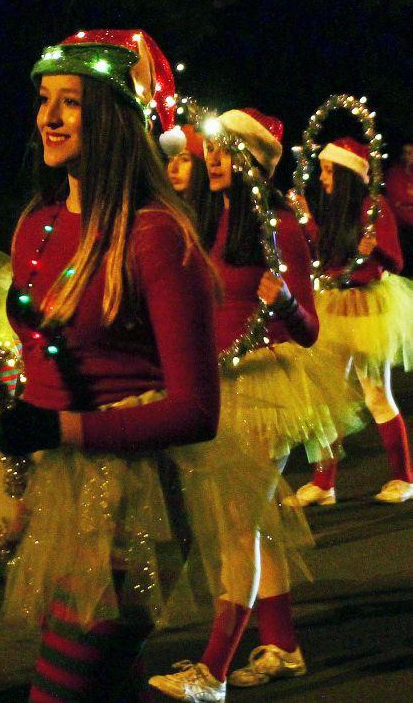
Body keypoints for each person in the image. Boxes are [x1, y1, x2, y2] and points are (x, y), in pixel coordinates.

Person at [0, 29, 227, 700]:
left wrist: (60, 432)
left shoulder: (155, 233)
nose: (47, 117)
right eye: (43, 100)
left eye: (70, 102)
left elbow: (196, 411)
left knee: (65, 685)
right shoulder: (35, 224)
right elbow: (41, 378)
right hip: (61, 489)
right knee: (104, 687)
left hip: (143, 496)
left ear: (112, 117)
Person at [148, 109, 352, 701]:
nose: (211, 160)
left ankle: (211, 671)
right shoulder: (210, 221)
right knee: (255, 526)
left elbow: (309, 330)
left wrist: (285, 301)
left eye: (225, 151)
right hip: (219, 386)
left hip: (265, 391)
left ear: (254, 162)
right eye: (210, 150)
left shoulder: (278, 228)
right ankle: (282, 645)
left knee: (238, 528)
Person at [294, 138, 413, 505]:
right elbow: (325, 256)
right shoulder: (333, 208)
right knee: (330, 398)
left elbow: (396, 263)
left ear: (346, 174)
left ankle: (404, 479)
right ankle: (324, 484)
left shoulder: (374, 207)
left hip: (368, 309)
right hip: (336, 305)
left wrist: (373, 247)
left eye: (329, 171)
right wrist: (307, 219)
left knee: (376, 394)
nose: (322, 178)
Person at [384, 142, 413, 275]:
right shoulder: (395, 174)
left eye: (411, 153)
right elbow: (397, 202)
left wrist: (406, 203)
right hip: (402, 229)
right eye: (406, 153)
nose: (408, 156)